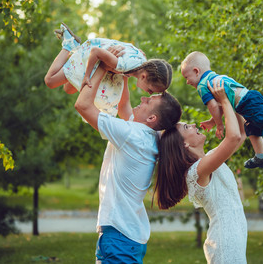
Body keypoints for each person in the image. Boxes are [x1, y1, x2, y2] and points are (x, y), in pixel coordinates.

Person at [74, 62, 182, 263]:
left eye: (148, 101)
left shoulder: (132, 135)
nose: (142, 98)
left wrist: (101, 68)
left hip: (119, 237)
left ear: (151, 117)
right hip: (125, 235)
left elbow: (82, 105)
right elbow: (124, 106)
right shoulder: (148, 136)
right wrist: (124, 71)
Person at [154, 79, 248, 263]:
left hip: (233, 237)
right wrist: (224, 102)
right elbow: (234, 136)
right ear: (184, 143)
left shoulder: (209, 161)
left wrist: (226, 102)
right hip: (225, 241)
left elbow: (242, 133)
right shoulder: (196, 171)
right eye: (188, 127)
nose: (195, 125)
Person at [180, 51, 263, 169]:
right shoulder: (215, 78)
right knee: (252, 129)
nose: (187, 82)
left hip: (247, 102)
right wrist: (212, 121)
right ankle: (261, 156)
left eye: (187, 77)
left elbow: (213, 106)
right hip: (249, 100)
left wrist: (219, 125)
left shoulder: (202, 86)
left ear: (196, 71)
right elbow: (222, 105)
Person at [45, 22, 172, 117]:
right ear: (144, 76)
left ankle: (73, 52)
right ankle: (69, 45)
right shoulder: (124, 66)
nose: (149, 93)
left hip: (97, 56)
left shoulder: (141, 62)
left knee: (69, 89)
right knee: (50, 81)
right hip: (89, 55)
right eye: (150, 90)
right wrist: (87, 76)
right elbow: (95, 52)